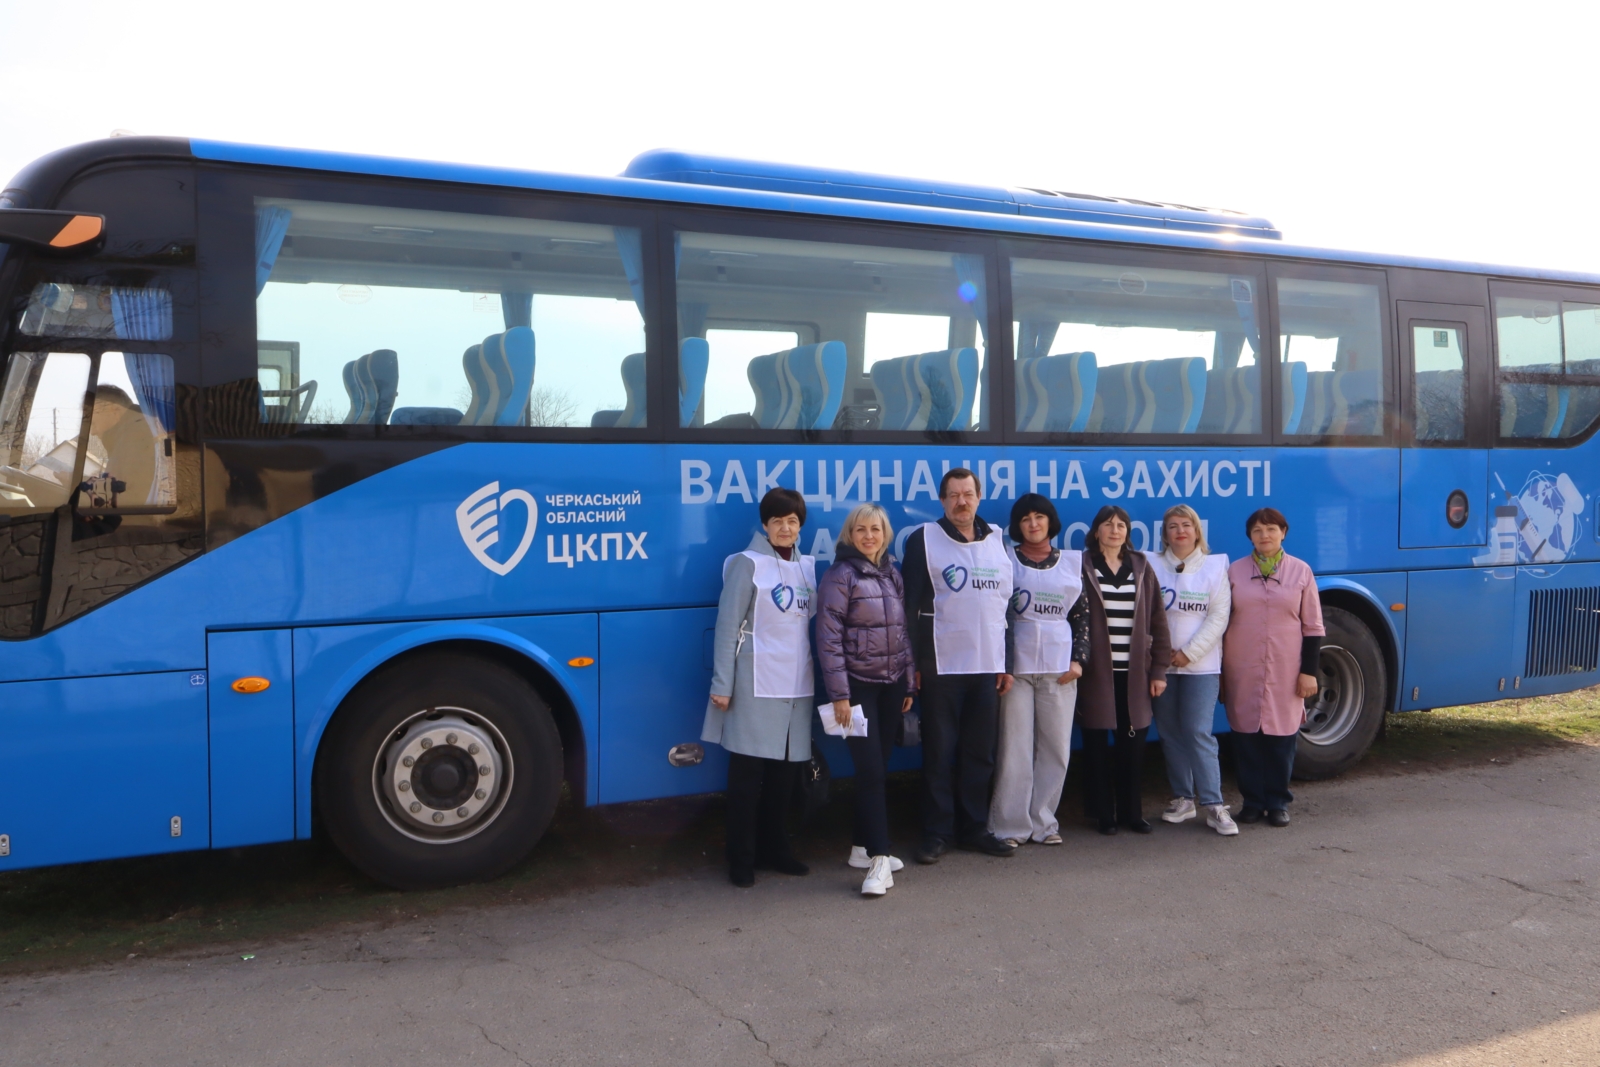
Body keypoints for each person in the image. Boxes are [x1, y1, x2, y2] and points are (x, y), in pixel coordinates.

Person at [702, 487, 817, 886]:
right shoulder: (747, 564)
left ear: (800, 526)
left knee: (784, 779)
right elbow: (727, 627)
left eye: (792, 521)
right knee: (747, 778)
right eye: (777, 521)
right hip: (754, 683)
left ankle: (776, 850)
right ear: (765, 525)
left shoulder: (807, 567)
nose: (785, 528)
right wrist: (722, 684)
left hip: (796, 686)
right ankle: (741, 858)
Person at [900, 468, 1016, 863]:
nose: (961, 502)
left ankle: (974, 829)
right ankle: (937, 833)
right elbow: (909, 606)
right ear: (943, 500)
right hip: (940, 664)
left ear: (979, 497)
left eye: (967, 494)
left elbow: (1005, 606)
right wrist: (913, 663)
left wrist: (1006, 662)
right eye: (953, 495)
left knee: (980, 753)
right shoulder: (925, 540)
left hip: (987, 666)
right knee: (939, 752)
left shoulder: (997, 540)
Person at [816, 503, 916, 896]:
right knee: (870, 770)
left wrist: (908, 683)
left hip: (891, 686)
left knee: (877, 767)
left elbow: (904, 633)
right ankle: (879, 859)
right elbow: (828, 640)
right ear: (850, 535)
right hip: (857, 688)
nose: (869, 536)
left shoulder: (892, 573)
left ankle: (860, 847)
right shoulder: (839, 575)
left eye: (875, 529)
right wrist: (840, 695)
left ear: (885, 534)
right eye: (861, 530)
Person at [989, 493, 1088, 847]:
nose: (1033, 524)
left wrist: (1079, 660)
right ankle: (1009, 826)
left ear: (1050, 521)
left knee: (1055, 749)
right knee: (1014, 749)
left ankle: (1044, 823)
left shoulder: (1072, 563)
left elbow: (1083, 616)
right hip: (1016, 670)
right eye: (1025, 518)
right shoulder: (1004, 559)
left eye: (1039, 517)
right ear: (1017, 525)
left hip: (1060, 670)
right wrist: (1001, 665)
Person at [1222, 508, 1324, 828]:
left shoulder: (1301, 571)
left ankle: (1278, 802)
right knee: (1246, 737)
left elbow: (1313, 626)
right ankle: (1252, 802)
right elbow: (1220, 622)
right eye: (1257, 530)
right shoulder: (1235, 571)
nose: (1264, 535)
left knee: (1281, 738)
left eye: (1270, 529)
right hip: (1242, 668)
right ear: (1249, 536)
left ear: (1283, 532)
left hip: (1286, 669)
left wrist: (1309, 671)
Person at [1144, 504, 1237, 837]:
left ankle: (1214, 804)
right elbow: (1145, 613)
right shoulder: (1151, 565)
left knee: (1198, 732)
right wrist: (1160, 654)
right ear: (1165, 534)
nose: (1180, 531)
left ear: (1197, 531)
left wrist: (1188, 653)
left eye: (1186, 525)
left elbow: (1219, 616)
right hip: (1162, 667)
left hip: (1202, 667)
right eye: (1173, 526)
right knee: (1170, 734)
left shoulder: (1215, 566)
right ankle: (1183, 799)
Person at [1078, 505, 1170, 835]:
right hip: (1095, 675)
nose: (1115, 530)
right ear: (1097, 531)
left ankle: (1133, 813)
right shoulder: (1082, 566)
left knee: (1132, 747)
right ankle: (1104, 814)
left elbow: (1158, 621)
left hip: (1135, 676)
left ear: (1127, 532)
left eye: (1121, 525)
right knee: (1096, 748)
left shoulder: (1141, 566)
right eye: (1108, 524)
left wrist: (1159, 670)